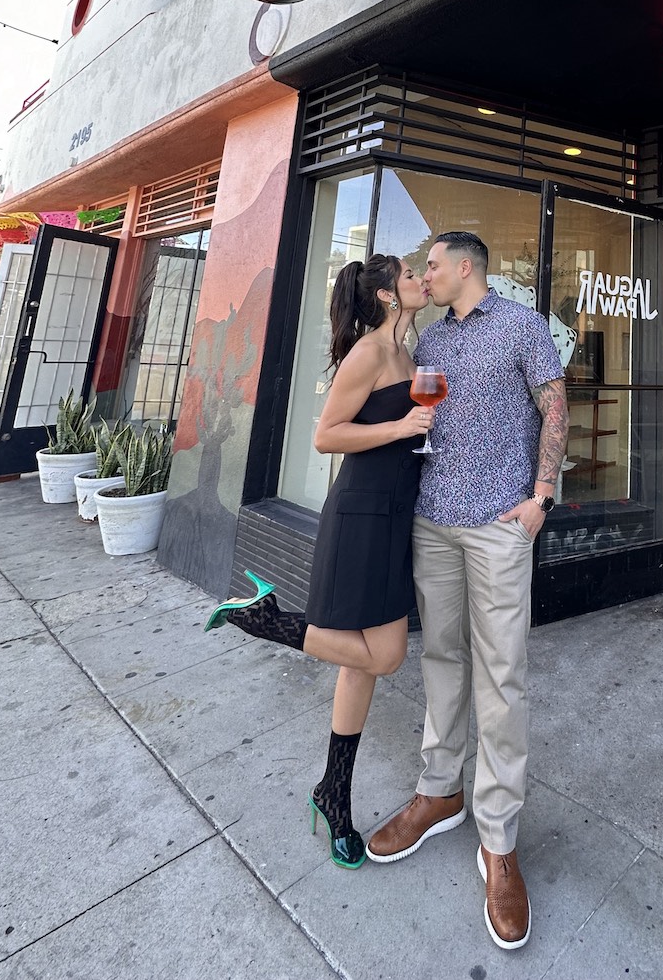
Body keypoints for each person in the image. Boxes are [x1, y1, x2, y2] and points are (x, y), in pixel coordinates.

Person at [365, 230, 568, 952]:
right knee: (441, 661)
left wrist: (540, 496)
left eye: (431, 266)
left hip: (497, 524)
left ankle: (499, 839)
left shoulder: (521, 325)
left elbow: (554, 404)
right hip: (433, 522)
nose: (425, 274)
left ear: (463, 268)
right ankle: (437, 791)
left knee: (502, 675)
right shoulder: (429, 340)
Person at [203, 253, 434, 868]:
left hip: (390, 516)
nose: (421, 280)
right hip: (362, 516)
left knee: (358, 664)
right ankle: (266, 618)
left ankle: (334, 795)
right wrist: (401, 429)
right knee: (384, 655)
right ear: (388, 296)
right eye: (411, 275)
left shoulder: (408, 352)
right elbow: (326, 434)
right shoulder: (370, 353)